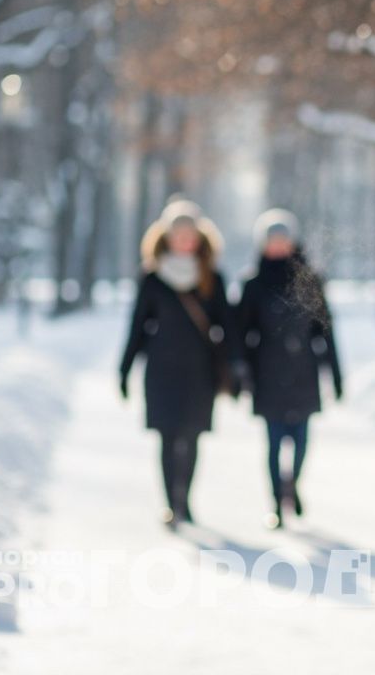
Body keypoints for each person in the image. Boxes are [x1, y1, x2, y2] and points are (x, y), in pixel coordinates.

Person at [120, 199, 239, 528]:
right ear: (166, 237)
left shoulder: (212, 277)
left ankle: (185, 500)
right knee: (168, 437)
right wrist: (124, 369)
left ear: (200, 238)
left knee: (192, 436)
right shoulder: (152, 277)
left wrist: (236, 364)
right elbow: (137, 326)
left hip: (200, 371)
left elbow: (227, 326)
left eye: (190, 235)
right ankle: (171, 504)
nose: (185, 240)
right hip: (161, 370)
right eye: (178, 235)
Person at [236, 209, 342, 529]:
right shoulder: (253, 284)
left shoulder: (310, 281)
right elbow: (241, 333)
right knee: (273, 442)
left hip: (303, 373)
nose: (279, 245)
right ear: (263, 244)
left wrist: (335, 374)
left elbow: (325, 331)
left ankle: (291, 486)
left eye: (284, 239)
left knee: (300, 440)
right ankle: (276, 505)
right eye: (272, 240)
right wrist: (241, 370)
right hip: (267, 373)